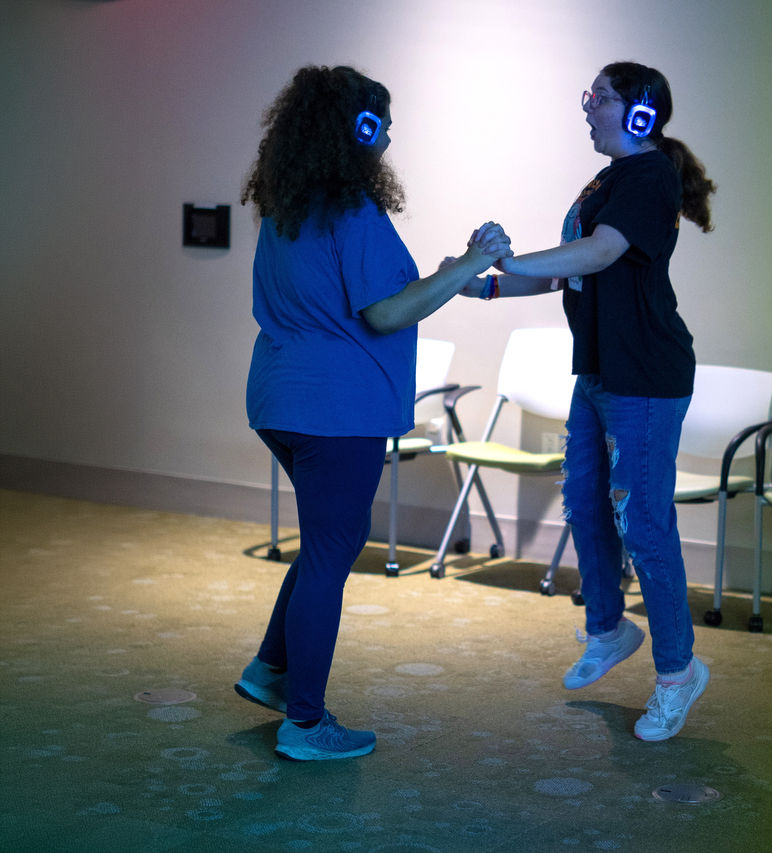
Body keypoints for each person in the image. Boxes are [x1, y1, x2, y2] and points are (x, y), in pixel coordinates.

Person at [235, 65, 510, 760]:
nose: (389, 132)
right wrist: (472, 260)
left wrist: (449, 275)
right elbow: (385, 311)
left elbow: (376, 292)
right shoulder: (352, 208)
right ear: (356, 128)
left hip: (281, 397)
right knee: (332, 548)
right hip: (336, 408)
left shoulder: (289, 205)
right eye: (380, 120)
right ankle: (305, 722)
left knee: (330, 537)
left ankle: (270, 669)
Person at [457, 61, 716, 741]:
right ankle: (608, 626)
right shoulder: (603, 181)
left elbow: (599, 254)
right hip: (599, 371)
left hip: (646, 377)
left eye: (597, 98)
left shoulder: (650, 175)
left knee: (646, 524)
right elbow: (568, 274)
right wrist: (481, 285)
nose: (586, 108)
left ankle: (678, 671)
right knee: (583, 499)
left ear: (639, 114)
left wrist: (508, 261)